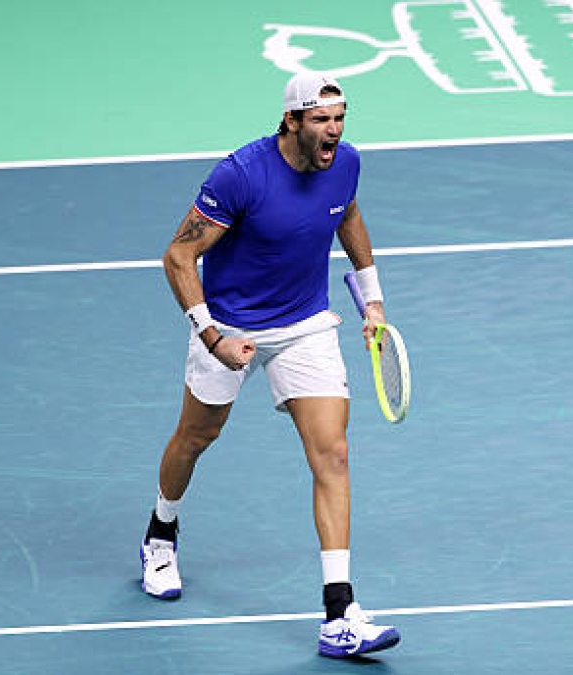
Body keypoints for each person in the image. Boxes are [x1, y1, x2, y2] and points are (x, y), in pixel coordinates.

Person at [138, 71, 400, 658]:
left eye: (340, 118)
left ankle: (340, 613)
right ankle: (161, 531)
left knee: (332, 452)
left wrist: (372, 297)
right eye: (321, 120)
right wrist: (209, 337)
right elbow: (179, 254)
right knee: (195, 436)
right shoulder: (242, 174)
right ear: (292, 121)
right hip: (230, 326)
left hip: (306, 325)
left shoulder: (347, 163)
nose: (333, 130)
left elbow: (347, 215)